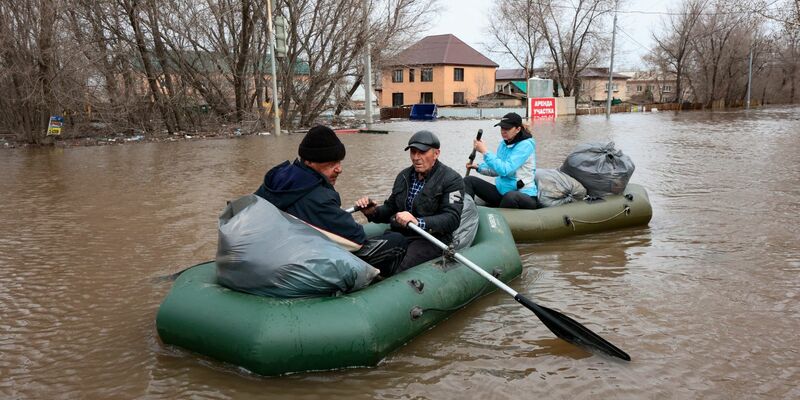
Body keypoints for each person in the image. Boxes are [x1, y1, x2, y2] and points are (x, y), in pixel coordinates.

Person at [255, 125, 407, 275]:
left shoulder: (277, 178)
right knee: (396, 241)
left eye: (339, 162)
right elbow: (356, 239)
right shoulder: (318, 196)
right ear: (309, 162)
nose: (339, 169)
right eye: (331, 163)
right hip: (299, 264)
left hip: (271, 254)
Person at [356, 130, 464, 274]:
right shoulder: (404, 176)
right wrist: (373, 212)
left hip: (430, 239)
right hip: (399, 235)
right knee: (366, 258)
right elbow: (390, 207)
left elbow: (452, 219)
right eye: (413, 152)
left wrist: (418, 222)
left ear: (436, 153)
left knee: (396, 268)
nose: (416, 157)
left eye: (422, 152)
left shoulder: (452, 179)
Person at [464, 112, 540, 209]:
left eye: (507, 128)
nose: (503, 131)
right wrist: (479, 167)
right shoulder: (503, 144)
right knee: (469, 181)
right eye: (502, 128)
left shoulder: (526, 145)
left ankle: (495, 218)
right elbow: (497, 170)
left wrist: (485, 152)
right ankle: (466, 213)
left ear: (518, 129)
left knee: (510, 196)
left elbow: (505, 169)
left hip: (524, 195)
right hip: (502, 192)